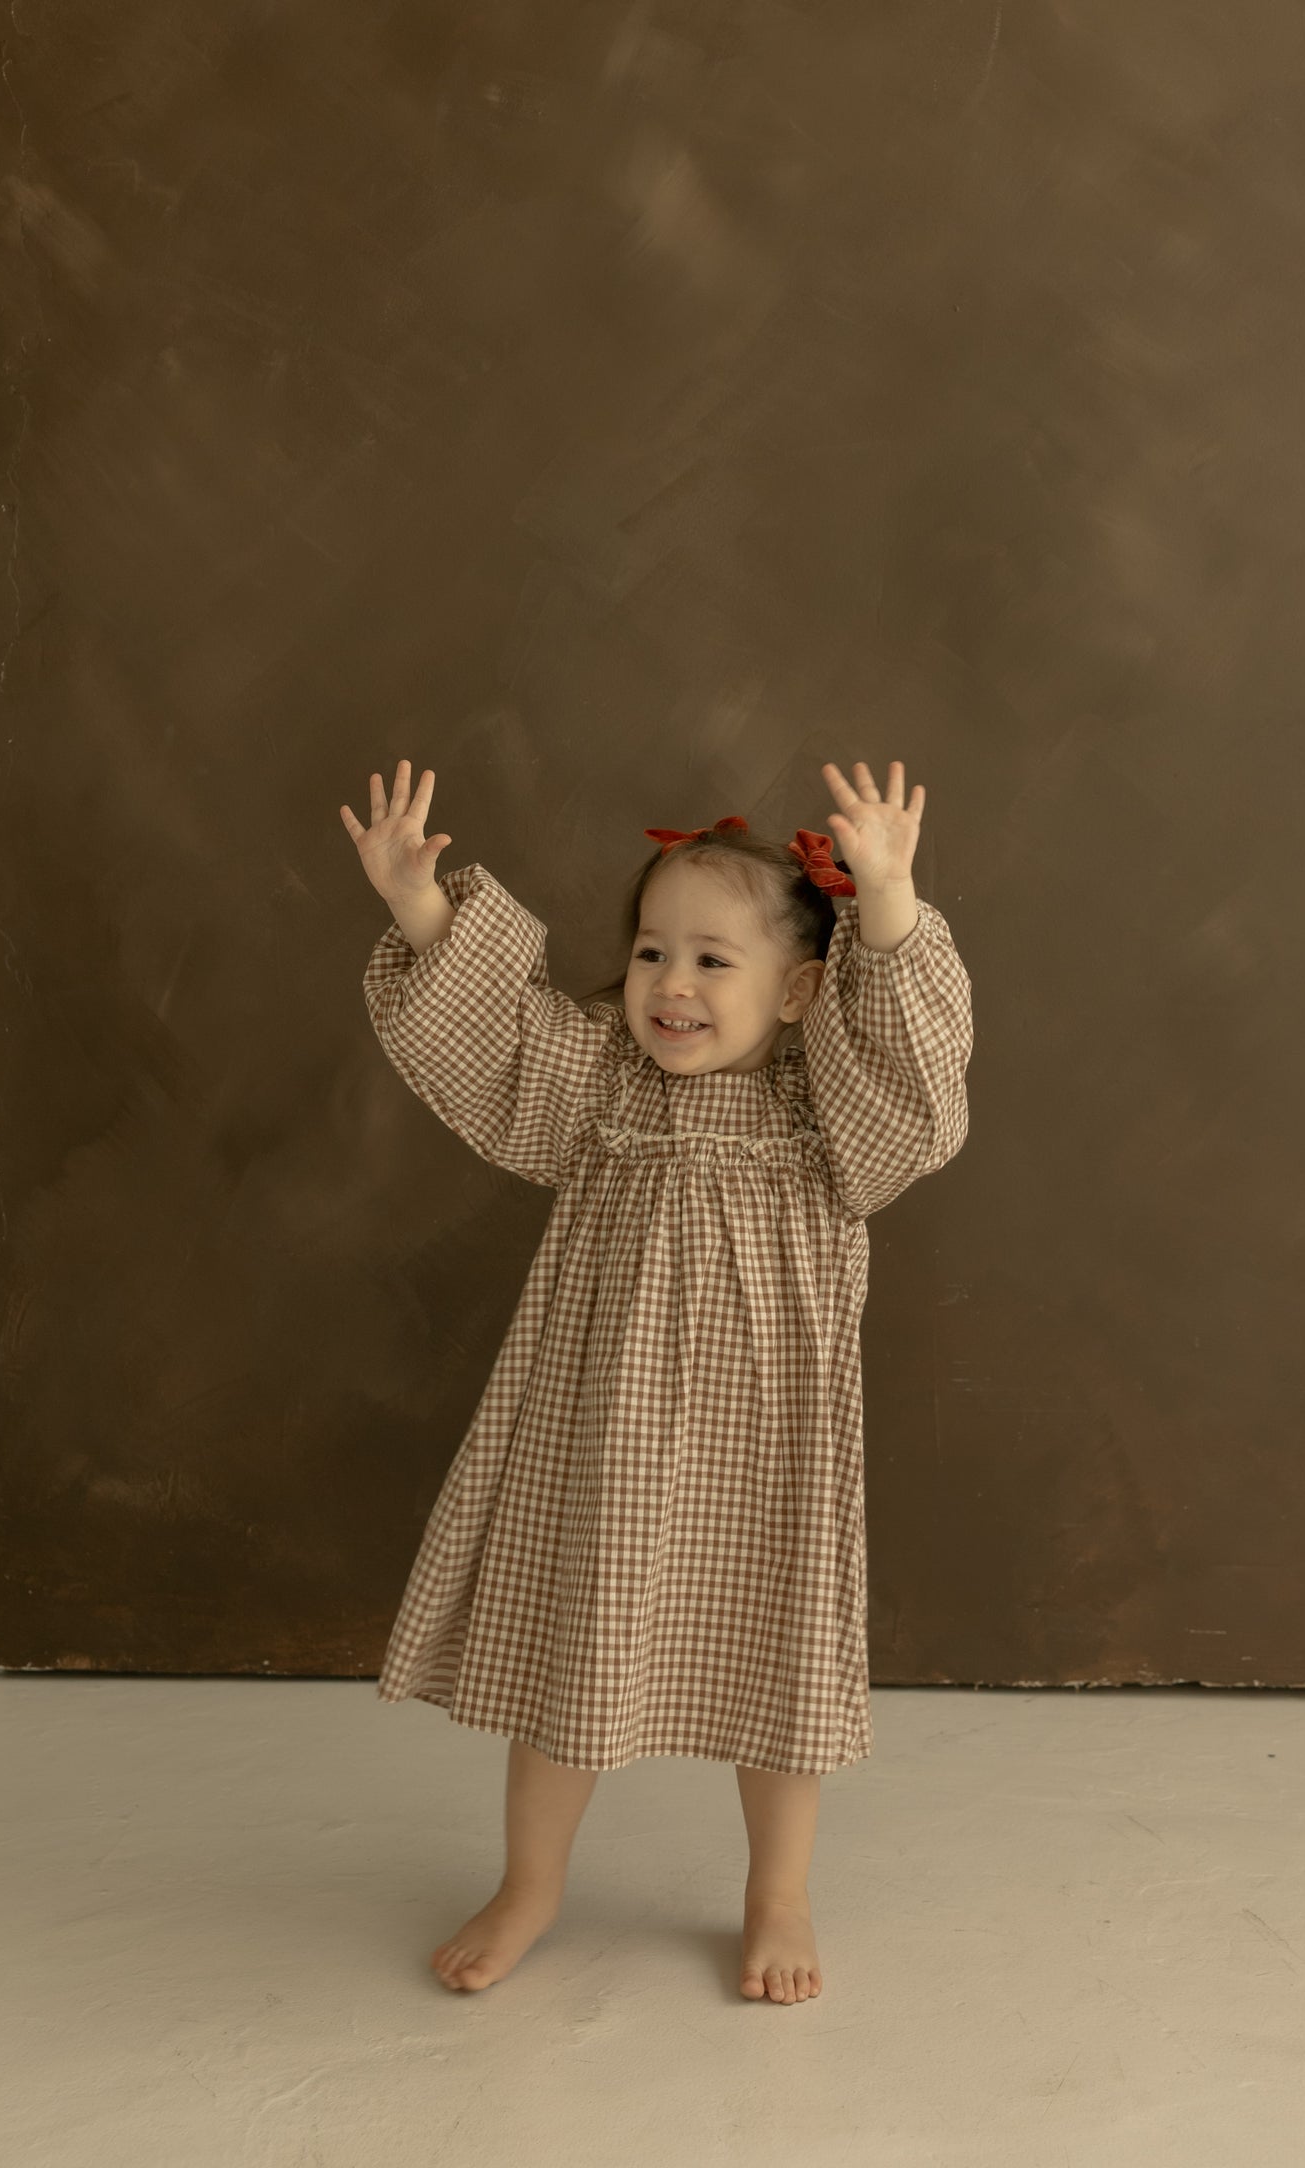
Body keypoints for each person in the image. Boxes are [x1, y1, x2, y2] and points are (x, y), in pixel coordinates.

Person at [338, 756, 974, 2004]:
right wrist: (418, 907)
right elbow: (496, 1032)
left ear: (800, 991)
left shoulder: (831, 1117)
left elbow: (916, 1072)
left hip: (767, 1446)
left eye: (710, 960)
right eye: (647, 953)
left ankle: (776, 1890)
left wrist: (886, 901)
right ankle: (529, 1883)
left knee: (777, 1658)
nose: (669, 985)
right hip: (602, 1435)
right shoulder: (598, 1088)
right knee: (567, 1644)